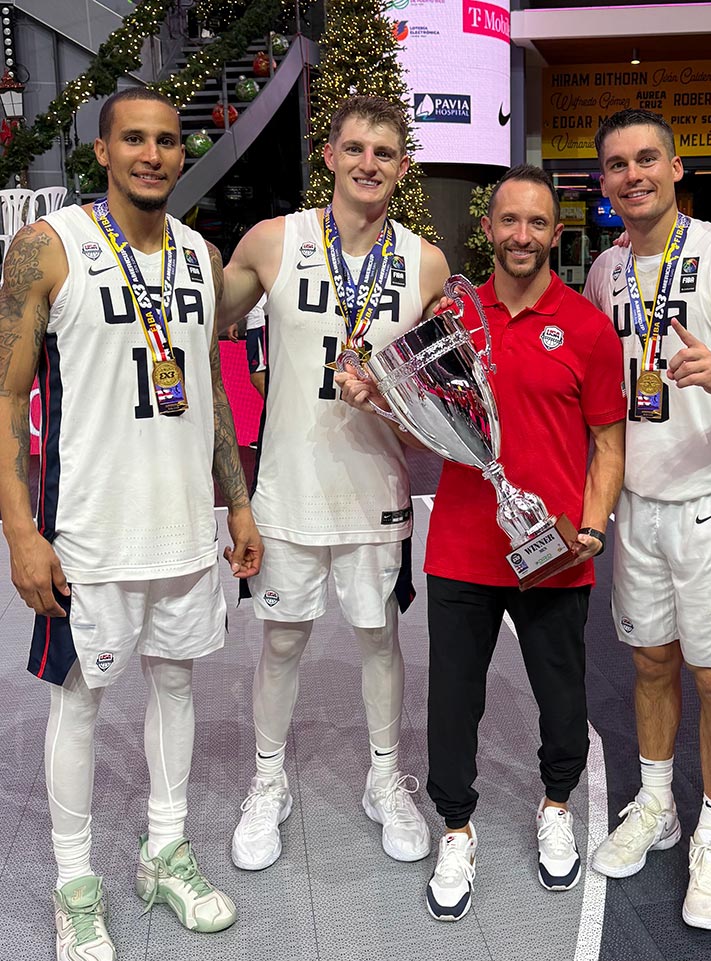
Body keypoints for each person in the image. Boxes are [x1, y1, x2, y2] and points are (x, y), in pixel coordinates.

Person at [0, 87, 262, 960]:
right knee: (79, 703)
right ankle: (76, 885)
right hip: (87, 534)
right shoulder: (47, 248)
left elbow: (213, 391)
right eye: (134, 140)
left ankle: (163, 850)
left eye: (167, 141)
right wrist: (20, 532)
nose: (153, 154)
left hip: (185, 534)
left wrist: (238, 500)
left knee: (179, 685)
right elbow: (4, 398)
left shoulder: (199, 252)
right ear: (102, 151)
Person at [342, 164, 626, 920]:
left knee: (562, 698)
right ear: (489, 229)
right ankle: (456, 827)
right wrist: (381, 399)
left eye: (537, 222)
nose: (522, 235)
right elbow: (431, 424)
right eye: (510, 221)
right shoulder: (454, 320)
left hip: (554, 551)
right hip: (464, 547)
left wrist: (593, 525)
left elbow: (608, 441)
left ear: (554, 233)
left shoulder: (590, 330)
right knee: (454, 701)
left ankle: (556, 806)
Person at [219, 94, 450, 871]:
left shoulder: (424, 262)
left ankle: (384, 780)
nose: (368, 164)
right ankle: (267, 780)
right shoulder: (273, 241)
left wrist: (390, 396)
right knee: (282, 637)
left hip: (375, 491)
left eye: (384, 153)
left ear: (402, 167)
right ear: (329, 156)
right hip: (287, 490)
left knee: (380, 635)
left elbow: (445, 399)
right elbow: (205, 319)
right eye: (354, 149)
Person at [581, 109, 711, 930]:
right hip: (636, 503)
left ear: (676, 167)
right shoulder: (605, 271)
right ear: (603, 182)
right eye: (616, 165)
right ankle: (658, 803)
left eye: (646, 160)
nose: (633, 175)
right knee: (651, 665)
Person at [244, 293, 267, 398]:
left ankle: (280, 411)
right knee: (259, 376)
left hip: (259, 321)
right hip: (255, 323)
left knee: (258, 375)